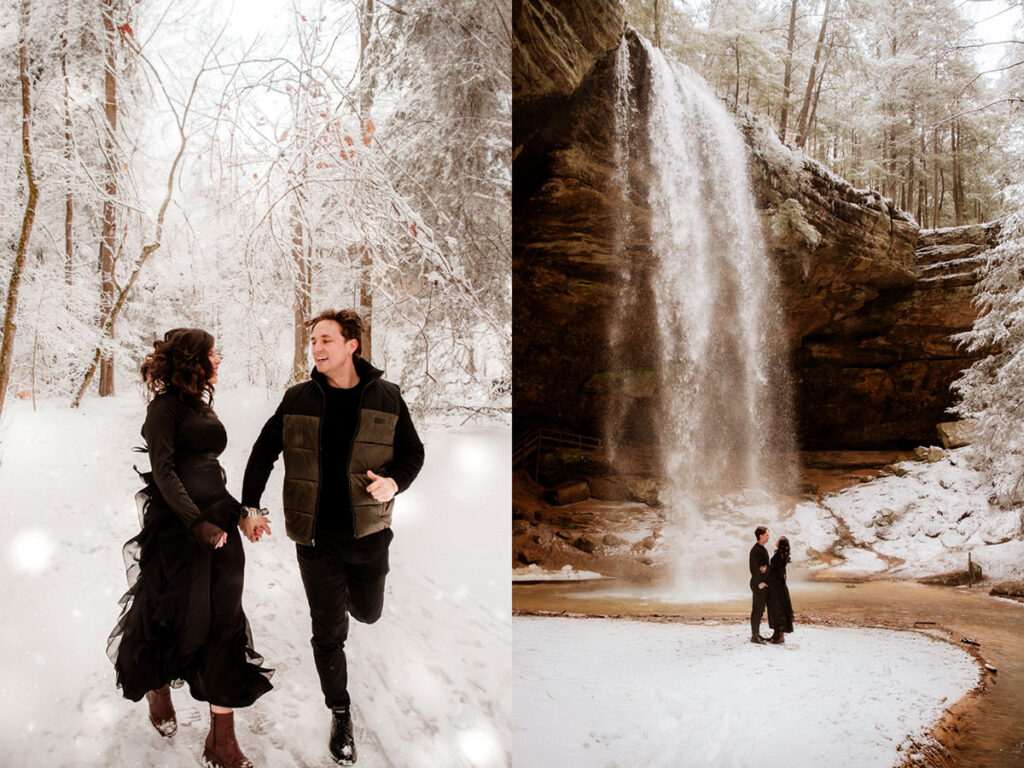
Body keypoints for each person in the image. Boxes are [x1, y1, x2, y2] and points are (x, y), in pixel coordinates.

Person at [240, 308, 424, 766]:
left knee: (368, 613)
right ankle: (340, 713)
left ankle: (348, 600)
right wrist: (250, 506)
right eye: (313, 342)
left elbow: (413, 453)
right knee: (327, 633)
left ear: (351, 346)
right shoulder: (298, 398)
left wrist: (394, 482)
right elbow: (264, 451)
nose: (317, 349)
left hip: (369, 535)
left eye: (326, 340)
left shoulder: (387, 397)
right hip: (316, 538)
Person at [108, 328, 272, 768]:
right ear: (192, 360)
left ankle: (221, 742)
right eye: (212, 352)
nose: (218, 358)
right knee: (173, 617)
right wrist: (195, 522)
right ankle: (157, 685)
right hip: (179, 532)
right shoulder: (162, 410)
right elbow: (164, 472)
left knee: (225, 621)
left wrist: (241, 514)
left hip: (218, 526)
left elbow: (209, 473)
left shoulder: (201, 406)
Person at [767, 536, 794, 644]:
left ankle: (779, 636)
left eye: (778, 540)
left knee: (778, 609)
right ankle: (776, 634)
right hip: (778, 584)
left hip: (777, 586)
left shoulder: (779, 555)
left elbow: (775, 569)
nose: (776, 540)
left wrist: (766, 569)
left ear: (780, 544)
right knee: (777, 608)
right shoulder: (781, 554)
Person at [749, 525, 770, 644]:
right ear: (760, 536)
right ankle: (754, 635)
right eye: (767, 535)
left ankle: (756, 633)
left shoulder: (762, 548)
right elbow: (753, 569)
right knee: (757, 610)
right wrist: (760, 583)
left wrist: (767, 570)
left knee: (760, 609)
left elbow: (766, 566)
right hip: (758, 584)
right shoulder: (756, 550)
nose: (768, 537)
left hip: (762, 584)